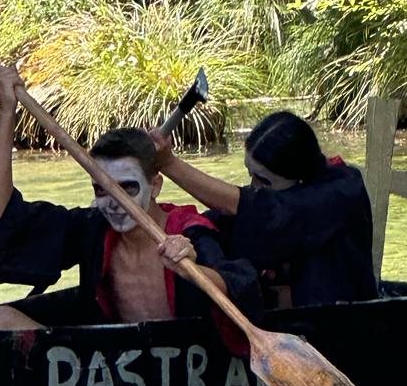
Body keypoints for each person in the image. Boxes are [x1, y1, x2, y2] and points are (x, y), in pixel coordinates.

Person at [0, 65, 262, 330]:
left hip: (184, 366)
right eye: (102, 189)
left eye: (128, 188)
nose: (115, 202)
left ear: (156, 185)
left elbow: (241, 288)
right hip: (110, 369)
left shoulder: (189, 231)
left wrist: (192, 270)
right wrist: (7, 111)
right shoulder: (94, 227)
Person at [150, 109, 377, 310]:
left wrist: (169, 163)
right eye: (251, 175)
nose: (254, 188)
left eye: (263, 181)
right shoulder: (283, 195)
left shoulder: (341, 191)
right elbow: (225, 217)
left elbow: (259, 210)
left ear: (299, 179)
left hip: (341, 324)